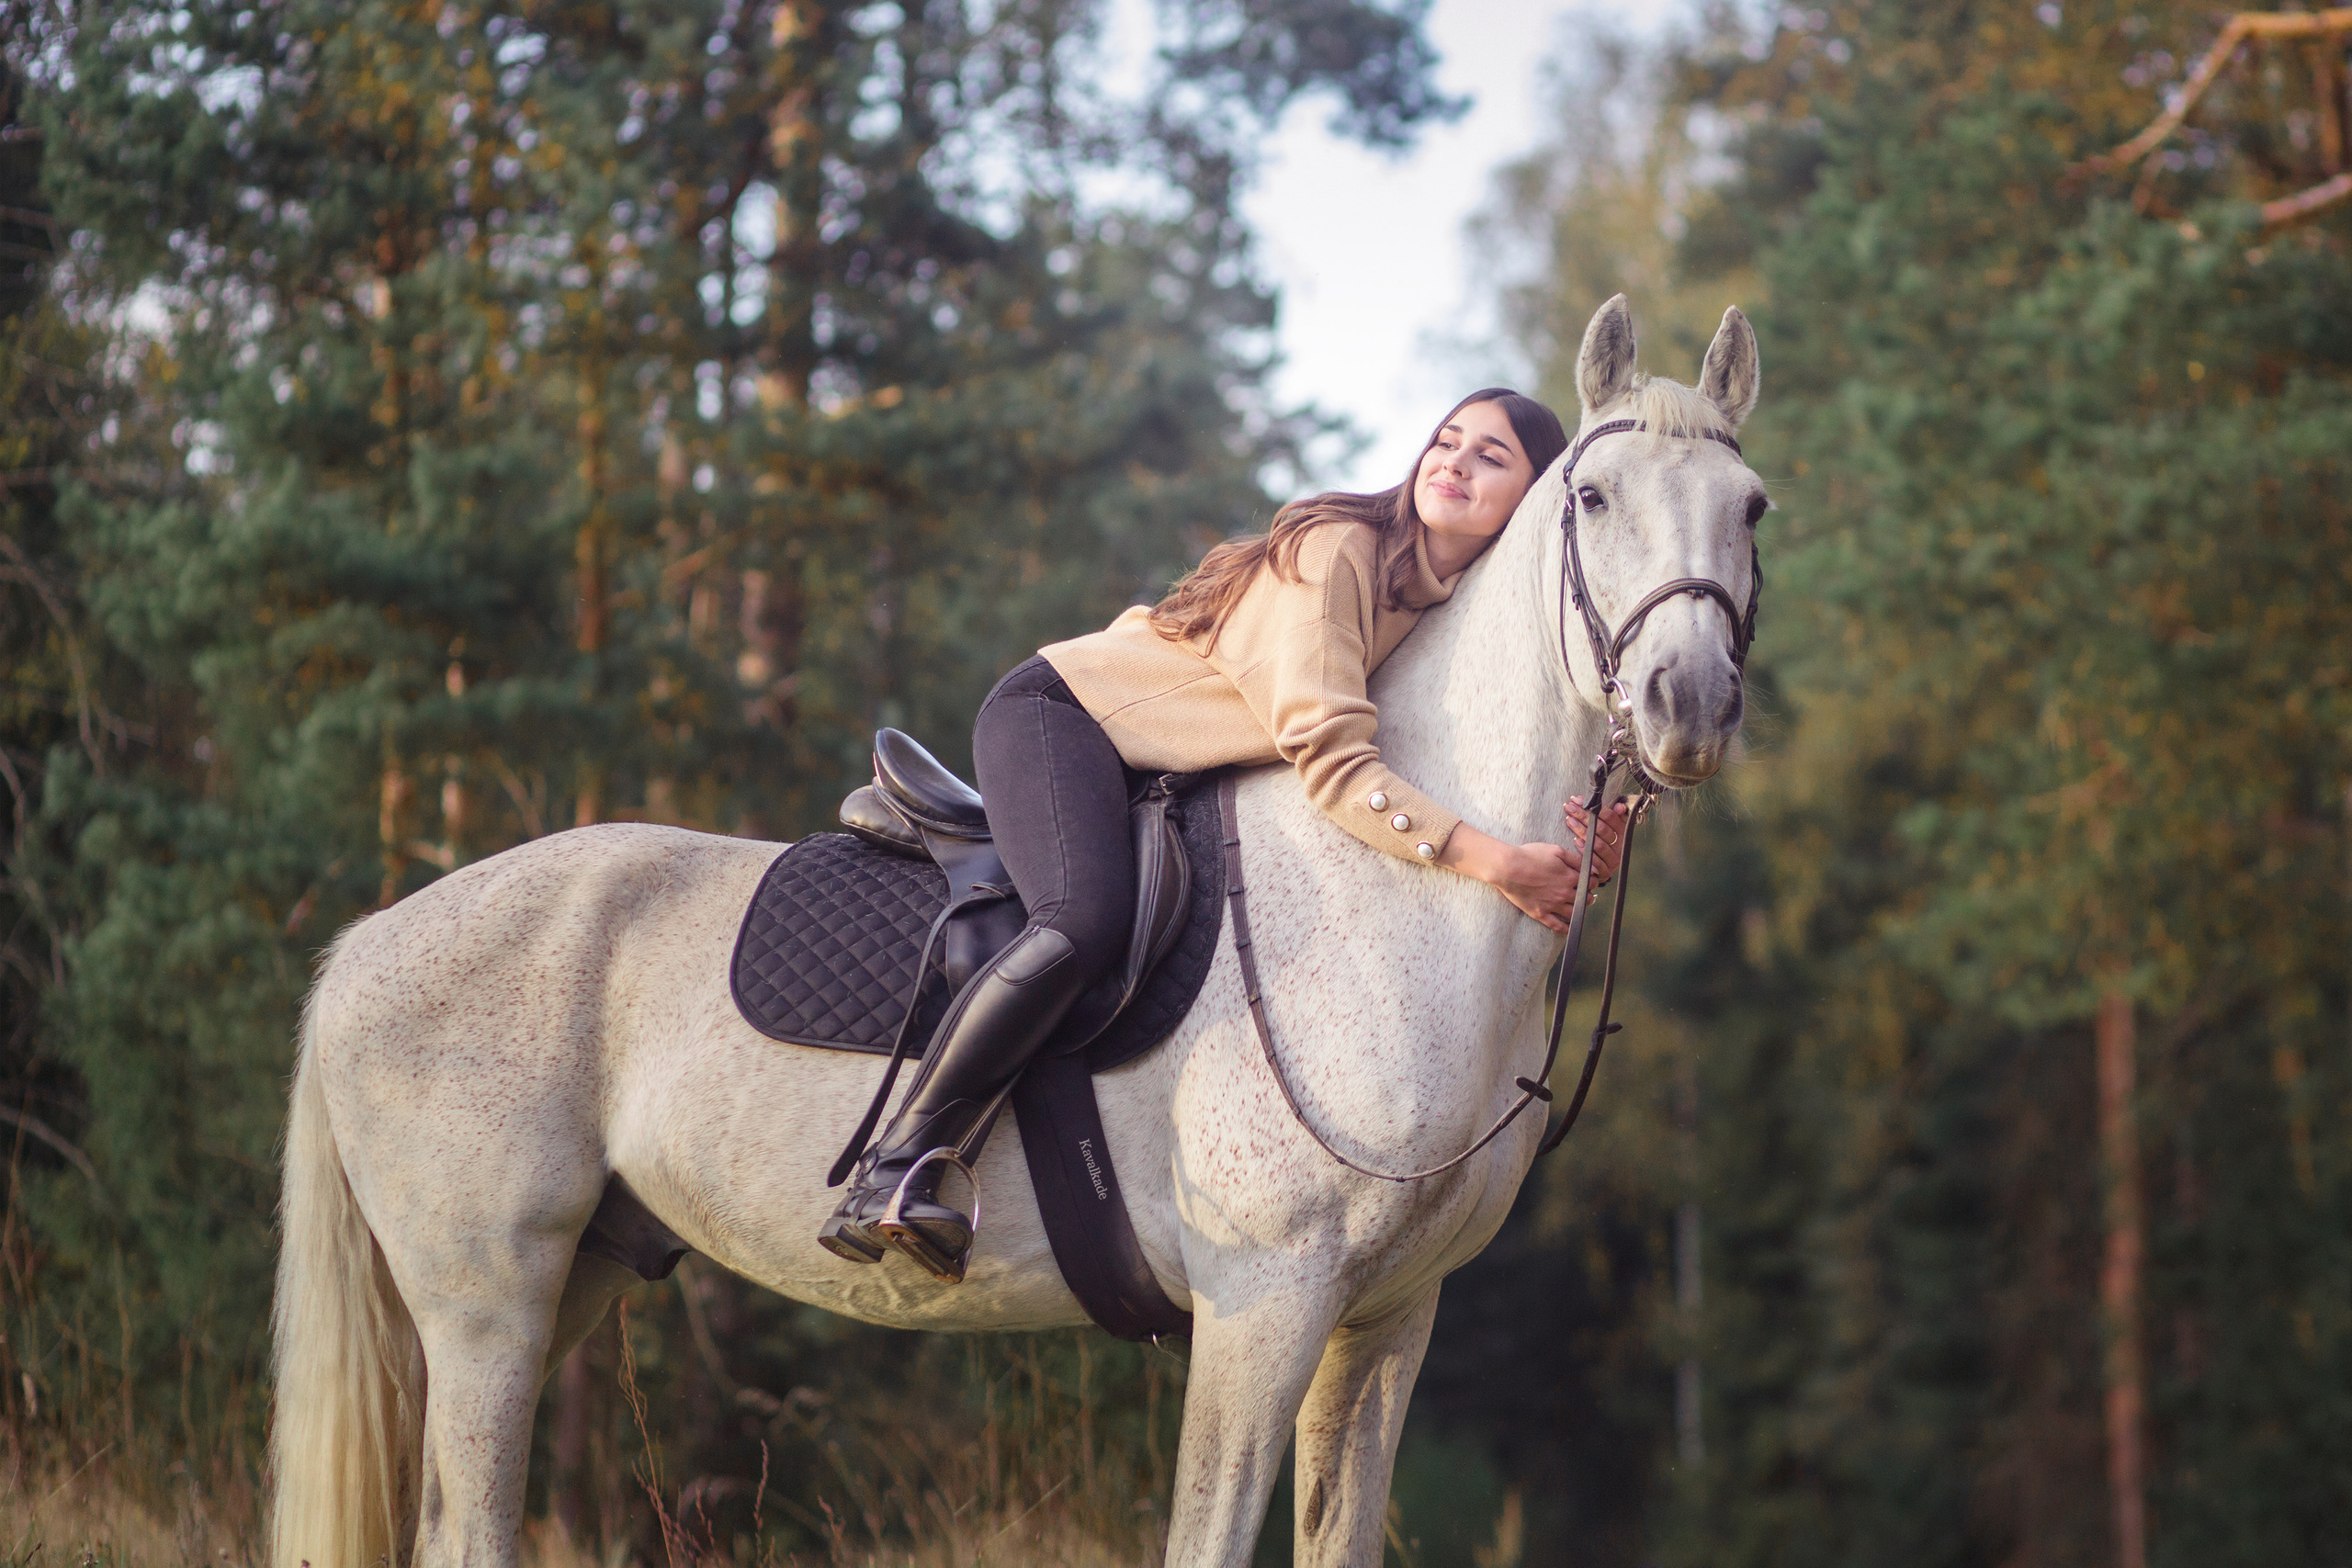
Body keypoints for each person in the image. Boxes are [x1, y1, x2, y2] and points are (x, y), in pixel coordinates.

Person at [819, 388, 1631, 1276]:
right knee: (1081, 919)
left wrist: (1579, 832)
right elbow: (1332, 762)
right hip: (1070, 717)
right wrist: (1500, 861)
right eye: (1446, 440)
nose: (1453, 462)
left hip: (1176, 766)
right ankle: (896, 1165)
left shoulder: (1455, 607)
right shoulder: (1340, 552)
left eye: (1489, 456)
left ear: (1536, 493)